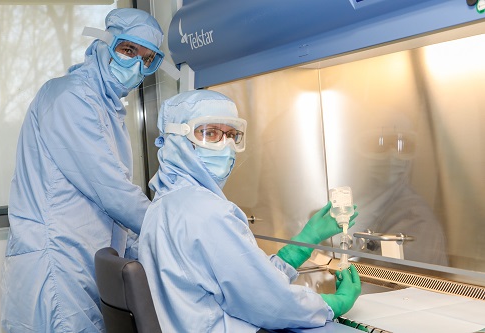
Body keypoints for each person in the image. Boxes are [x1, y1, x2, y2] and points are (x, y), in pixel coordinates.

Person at [138, 90, 361, 332]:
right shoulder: (207, 212)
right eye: (210, 133)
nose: (226, 146)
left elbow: (250, 280)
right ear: (176, 138)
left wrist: (303, 243)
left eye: (232, 135)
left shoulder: (166, 203)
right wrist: (333, 304)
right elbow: (269, 303)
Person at [1, 8, 164, 333]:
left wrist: (144, 246)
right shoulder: (70, 97)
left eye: (146, 59)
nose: (135, 66)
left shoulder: (105, 108)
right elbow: (112, 192)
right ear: (103, 44)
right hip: (58, 264)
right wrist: (176, 229)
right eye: (128, 50)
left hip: (79, 262)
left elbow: (113, 205)